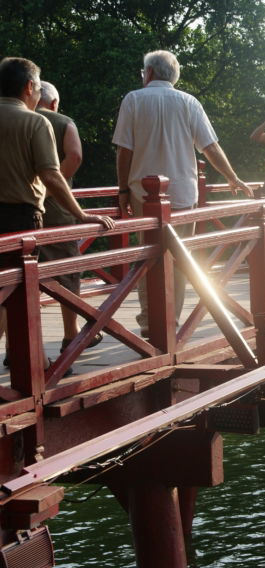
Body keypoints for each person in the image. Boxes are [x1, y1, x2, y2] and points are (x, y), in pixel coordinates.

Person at [113, 50, 251, 337]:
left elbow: (124, 150)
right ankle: (171, 323)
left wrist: (123, 189)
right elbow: (210, 147)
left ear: (148, 72)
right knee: (178, 258)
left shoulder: (133, 99)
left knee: (147, 256)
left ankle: (150, 323)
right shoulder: (189, 102)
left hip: (143, 193)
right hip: (183, 193)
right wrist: (232, 177)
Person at [0, 57, 114, 363]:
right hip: (20, 216)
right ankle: (31, 359)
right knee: (21, 288)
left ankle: (20, 353)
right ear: (28, 86)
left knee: (3, 288)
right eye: (36, 86)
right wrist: (81, 214)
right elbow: (52, 173)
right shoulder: (35, 121)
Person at [37, 81, 104, 352]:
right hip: (57, 207)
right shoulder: (61, 121)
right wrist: (52, 187)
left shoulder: (13, 120)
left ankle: (19, 348)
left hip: (18, 205)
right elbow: (74, 156)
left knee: (15, 276)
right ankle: (70, 333)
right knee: (65, 269)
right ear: (53, 102)